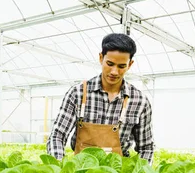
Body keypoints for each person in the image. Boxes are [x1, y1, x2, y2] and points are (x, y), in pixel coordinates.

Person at [47, 33, 154, 163]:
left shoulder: (140, 101)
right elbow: (57, 136)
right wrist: (60, 169)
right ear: (100, 58)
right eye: (110, 64)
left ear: (130, 64)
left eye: (121, 66)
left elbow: (146, 148)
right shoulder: (78, 93)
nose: (114, 72)